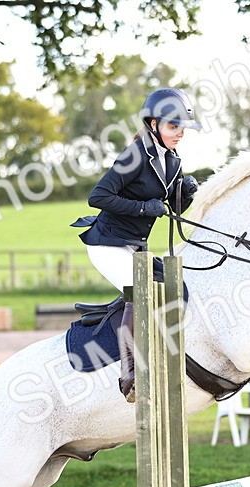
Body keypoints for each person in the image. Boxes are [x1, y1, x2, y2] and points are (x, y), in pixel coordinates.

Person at [72, 87, 203, 401]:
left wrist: (185, 194)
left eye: (183, 127)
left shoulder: (172, 161)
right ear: (154, 124)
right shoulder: (134, 155)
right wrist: (144, 208)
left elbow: (171, 209)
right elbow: (98, 197)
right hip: (107, 244)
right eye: (174, 126)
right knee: (139, 292)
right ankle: (129, 374)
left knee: (179, 289)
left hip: (136, 247)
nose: (180, 133)